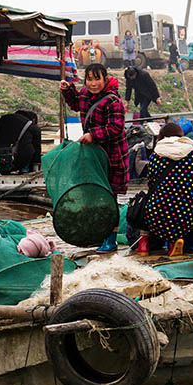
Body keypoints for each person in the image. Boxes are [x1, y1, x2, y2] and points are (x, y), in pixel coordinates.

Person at [60, 64, 129, 252]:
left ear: (105, 79)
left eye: (97, 79)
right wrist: (68, 91)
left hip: (112, 156)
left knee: (108, 199)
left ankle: (110, 239)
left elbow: (116, 128)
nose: (93, 83)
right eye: (89, 79)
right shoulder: (85, 95)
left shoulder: (113, 101)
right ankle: (99, 234)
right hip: (94, 156)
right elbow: (76, 103)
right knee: (94, 195)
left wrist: (93, 135)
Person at [134, 122, 193, 256]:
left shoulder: (156, 155)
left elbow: (151, 185)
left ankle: (144, 243)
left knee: (148, 204)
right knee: (178, 217)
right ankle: (175, 242)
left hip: (156, 214)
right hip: (185, 214)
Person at [0, 109, 41, 173]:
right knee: (29, 151)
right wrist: (35, 167)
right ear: (33, 120)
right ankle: (24, 171)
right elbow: (37, 150)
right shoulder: (33, 127)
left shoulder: (4, 119)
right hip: (21, 162)